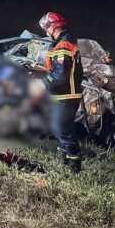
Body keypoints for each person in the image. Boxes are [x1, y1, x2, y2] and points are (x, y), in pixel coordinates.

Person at [39, 12, 84, 173]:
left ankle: (74, 166)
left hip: (66, 95)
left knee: (62, 130)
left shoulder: (63, 45)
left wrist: (43, 82)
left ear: (53, 26)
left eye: (46, 28)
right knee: (61, 129)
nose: (45, 31)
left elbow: (60, 76)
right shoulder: (64, 43)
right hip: (64, 95)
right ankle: (65, 161)